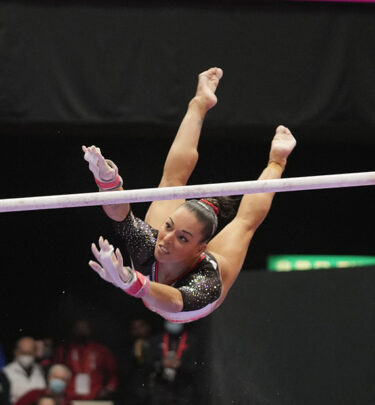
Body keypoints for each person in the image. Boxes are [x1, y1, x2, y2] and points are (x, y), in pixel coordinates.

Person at [83, 67, 296, 323]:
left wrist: (131, 281)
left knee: (245, 223)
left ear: (200, 249)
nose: (167, 239)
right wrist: (107, 180)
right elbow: (121, 214)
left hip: (188, 299)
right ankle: (200, 102)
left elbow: (174, 301)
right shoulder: (151, 242)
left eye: (182, 238)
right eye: (169, 226)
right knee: (172, 183)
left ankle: (277, 162)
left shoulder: (208, 279)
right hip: (152, 281)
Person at [53, 318, 118, 401]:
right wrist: (57, 392)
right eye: (78, 329)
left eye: (85, 328)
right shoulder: (64, 350)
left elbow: (113, 373)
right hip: (70, 397)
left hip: (95, 396)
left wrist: (109, 389)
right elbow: (55, 373)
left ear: (90, 330)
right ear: (74, 331)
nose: (81, 331)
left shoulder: (101, 350)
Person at [147, 321, 200, 405]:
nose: (173, 323)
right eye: (170, 321)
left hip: (184, 387)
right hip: (161, 387)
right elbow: (148, 364)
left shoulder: (191, 340)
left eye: (176, 320)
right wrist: (161, 363)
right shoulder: (157, 340)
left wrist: (180, 364)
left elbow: (196, 366)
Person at [3, 337, 46, 404]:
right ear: (16, 352)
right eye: (23, 353)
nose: (26, 356)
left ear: (35, 352)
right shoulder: (5, 373)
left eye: (29, 353)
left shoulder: (42, 371)